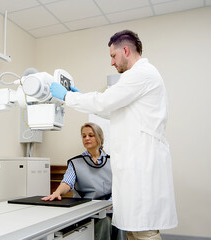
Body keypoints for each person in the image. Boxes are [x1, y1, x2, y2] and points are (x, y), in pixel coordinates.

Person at [49, 30, 178, 240]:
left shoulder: (140, 74)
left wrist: (67, 96)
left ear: (125, 50)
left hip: (142, 170)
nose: (111, 62)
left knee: (144, 232)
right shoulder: (141, 77)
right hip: (137, 169)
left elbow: (104, 101)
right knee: (136, 231)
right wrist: (78, 97)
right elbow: (109, 109)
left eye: (113, 55)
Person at [42, 122, 122, 240]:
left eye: (91, 135)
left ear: (100, 138)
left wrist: (110, 203)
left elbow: (120, 186)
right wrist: (57, 192)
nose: (87, 138)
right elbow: (67, 182)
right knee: (104, 221)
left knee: (121, 223)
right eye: (84, 136)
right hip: (88, 210)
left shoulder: (113, 161)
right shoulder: (75, 163)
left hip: (111, 207)